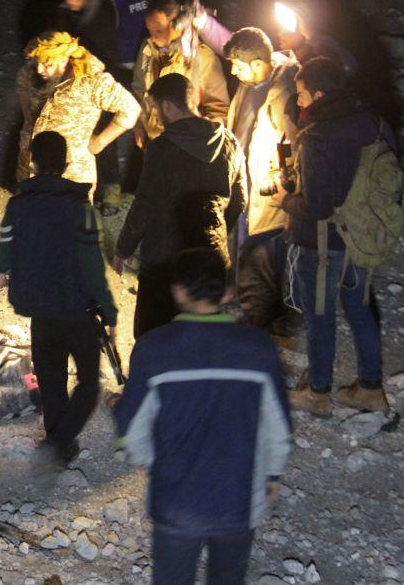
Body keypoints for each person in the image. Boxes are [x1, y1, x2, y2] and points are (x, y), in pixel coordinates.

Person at [115, 247, 291, 585]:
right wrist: (272, 475)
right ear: (227, 291)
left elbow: (130, 429)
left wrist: (153, 464)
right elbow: (279, 427)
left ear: (178, 291)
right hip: (238, 500)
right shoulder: (258, 349)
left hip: (176, 502)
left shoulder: (153, 349)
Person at [276, 57, 395, 416]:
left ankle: (319, 394)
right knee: (360, 311)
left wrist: (285, 199)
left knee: (319, 317)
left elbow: (317, 206)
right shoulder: (373, 121)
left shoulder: (317, 136)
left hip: (322, 244)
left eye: (301, 94)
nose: (298, 101)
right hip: (361, 235)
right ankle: (371, 390)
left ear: (320, 93)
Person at [0, 131, 117, 465]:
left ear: (31, 162)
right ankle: (59, 443)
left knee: (52, 383)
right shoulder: (81, 207)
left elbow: (2, 261)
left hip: (41, 312)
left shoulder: (17, 206)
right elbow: (93, 266)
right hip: (77, 309)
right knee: (90, 382)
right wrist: (110, 312)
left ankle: (57, 446)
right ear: (66, 163)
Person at [114, 74, 245, 337]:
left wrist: (123, 247)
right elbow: (240, 201)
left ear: (168, 106)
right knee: (207, 336)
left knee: (154, 335)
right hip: (211, 257)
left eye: (155, 109)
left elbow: (145, 204)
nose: (155, 117)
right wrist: (215, 228)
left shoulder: (162, 148)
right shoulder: (229, 141)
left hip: (164, 259)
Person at [222, 27, 300, 332]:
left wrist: (287, 187)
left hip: (266, 195)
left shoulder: (284, 94)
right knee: (244, 250)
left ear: (258, 64)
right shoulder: (248, 85)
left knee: (262, 258)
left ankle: (262, 323)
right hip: (244, 187)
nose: (232, 71)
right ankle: (251, 312)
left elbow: (296, 146)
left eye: (238, 66)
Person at [15, 32, 140, 197]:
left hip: (70, 179)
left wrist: (99, 142)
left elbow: (131, 109)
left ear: (64, 59)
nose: (39, 69)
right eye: (37, 62)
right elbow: (23, 90)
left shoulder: (91, 81)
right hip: (30, 171)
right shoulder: (32, 72)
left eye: (47, 64)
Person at [50, 0, 127, 215]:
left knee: (103, 140)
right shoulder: (64, 13)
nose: (70, 1)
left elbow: (100, 52)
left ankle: (112, 194)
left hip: (99, 82)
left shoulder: (103, 12)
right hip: (70, 85)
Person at [132, 0, 230, 143]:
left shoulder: (202, 57)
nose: (153, 37)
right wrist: (138, 125)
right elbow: (139, 90)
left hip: (189, 145)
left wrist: (197, 139)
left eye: (159, 30)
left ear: (177, 25)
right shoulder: (147, 50)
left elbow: (219, 110)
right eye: (150, 30)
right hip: (155, 142)